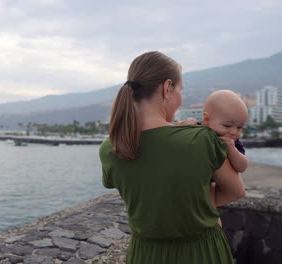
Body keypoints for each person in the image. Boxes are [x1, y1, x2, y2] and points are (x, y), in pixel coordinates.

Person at [99, 51, 245, 263]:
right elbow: (236, 191)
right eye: (181, 89)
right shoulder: (200, 140)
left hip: (144, 255)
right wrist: (204, 202)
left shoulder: (110, 147)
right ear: (167, 88)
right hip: (200, 254)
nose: (180, 97)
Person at [202, 90, 249, 227]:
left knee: (211, 212)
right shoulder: (199, 133)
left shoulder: (234, 142)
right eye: (227, 126)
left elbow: (242, 166)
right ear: (206, 120)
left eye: (239, 127)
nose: (234, 132)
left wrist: (232, 150)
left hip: (215, 185)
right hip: (198, 181)